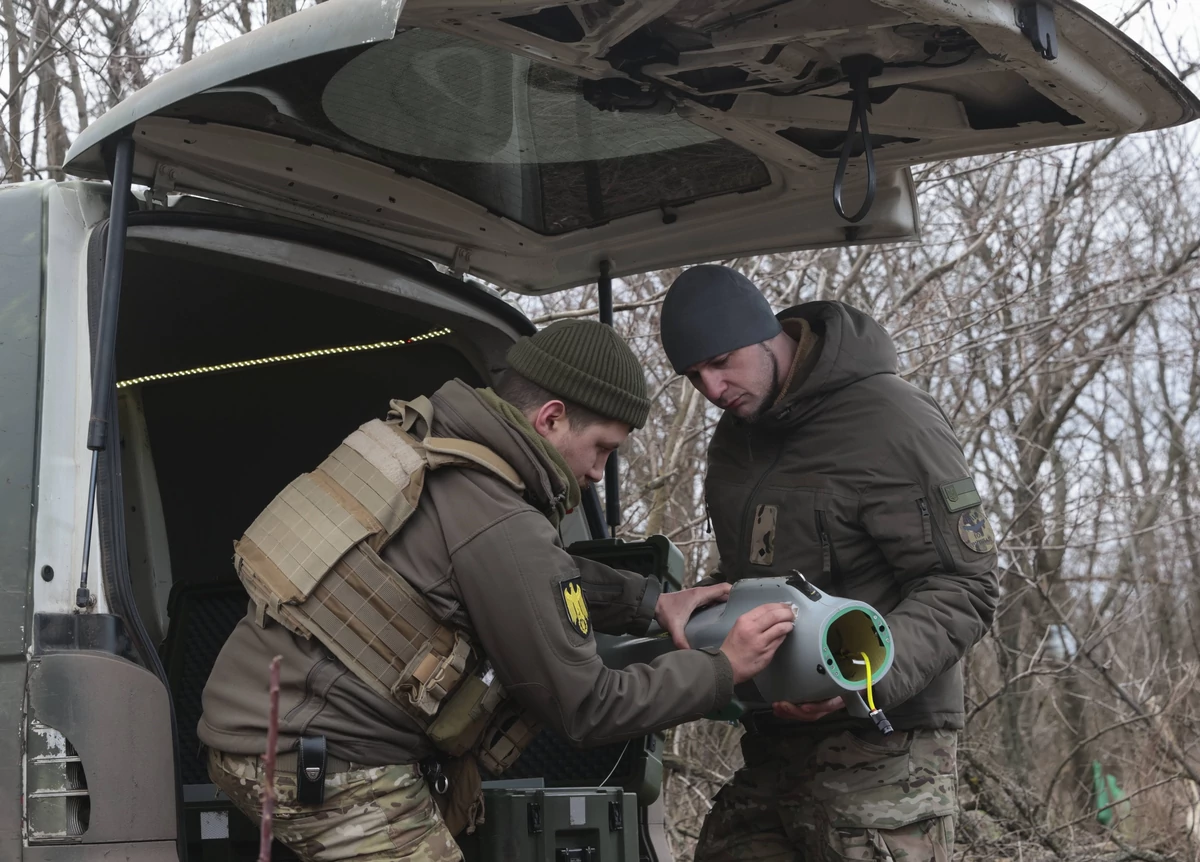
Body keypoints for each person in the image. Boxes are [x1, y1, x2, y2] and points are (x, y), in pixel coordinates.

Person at [198, 318, 797, 862]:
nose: (596, 474)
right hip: (319, 760)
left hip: (254, 730)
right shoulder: (499, 516)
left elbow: (530, 578)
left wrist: (650, 602)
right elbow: (588, 707)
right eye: (602, 451)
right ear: (552, 418)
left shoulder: (443, 454)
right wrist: (724, 669)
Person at [659, 265, 1000, 862]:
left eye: (721, 361)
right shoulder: (735, 438)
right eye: (694, 377)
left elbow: (965, 585)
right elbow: (758, 572)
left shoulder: (893, 421)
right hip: (773, 743)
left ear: (765, 332)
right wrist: (705, 600)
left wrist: (857, 682)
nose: (712, 388)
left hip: (884, 751)